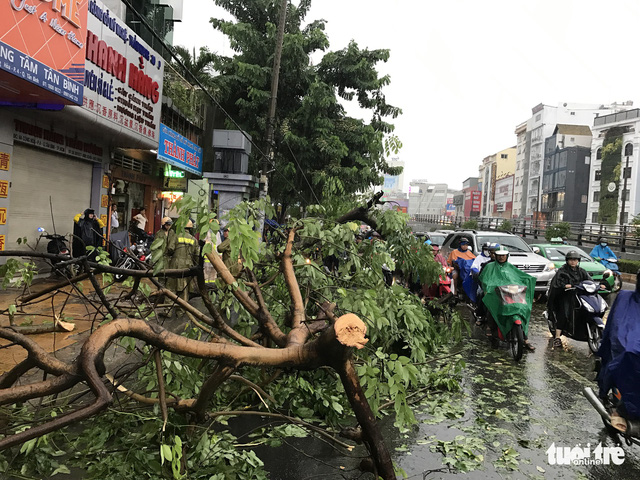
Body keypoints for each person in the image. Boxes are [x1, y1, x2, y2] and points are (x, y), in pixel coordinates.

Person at [480, 247, 536, 352]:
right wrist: (489, 288)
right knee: (492, 311)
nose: (501, 257)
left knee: (522, 309)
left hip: (509, 294)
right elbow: (485, 280)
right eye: (499, 255)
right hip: (496, 295)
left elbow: (520, 277)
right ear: (496, 256)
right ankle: (493, 333)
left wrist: (529, 281)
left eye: (503, 255)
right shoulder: (489, 267)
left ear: (507, 256)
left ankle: (524, 338)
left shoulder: (511, 267)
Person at [547, 250, 606, 348]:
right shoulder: (562, 271)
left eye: (575, 260)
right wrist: (565, 286)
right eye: (571, 260)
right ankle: (557, 337)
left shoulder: (581, 271)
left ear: (578, 261)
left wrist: (598, 286)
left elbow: (589, 281)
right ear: (567, 260)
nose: (573, 262)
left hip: (580, 296)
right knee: (564, 314)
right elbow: (557, 284)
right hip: (566, 296)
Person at [166, 220, 198, 298]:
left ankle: (167, 308)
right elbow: (196, 255)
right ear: (190, 228)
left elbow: (170, 248)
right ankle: (182, 308)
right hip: (188, 266)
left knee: (171, 287)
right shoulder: (194, 239)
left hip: (175, 264)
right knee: (184, 289)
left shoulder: (176, 236)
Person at [468, 242, 493, 325]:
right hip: (486, 283)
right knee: (481, 293)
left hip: (497, 285)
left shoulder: (504, 265)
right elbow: (475, 268)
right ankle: (480, 315)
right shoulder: (484, 262)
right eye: (489, 251)